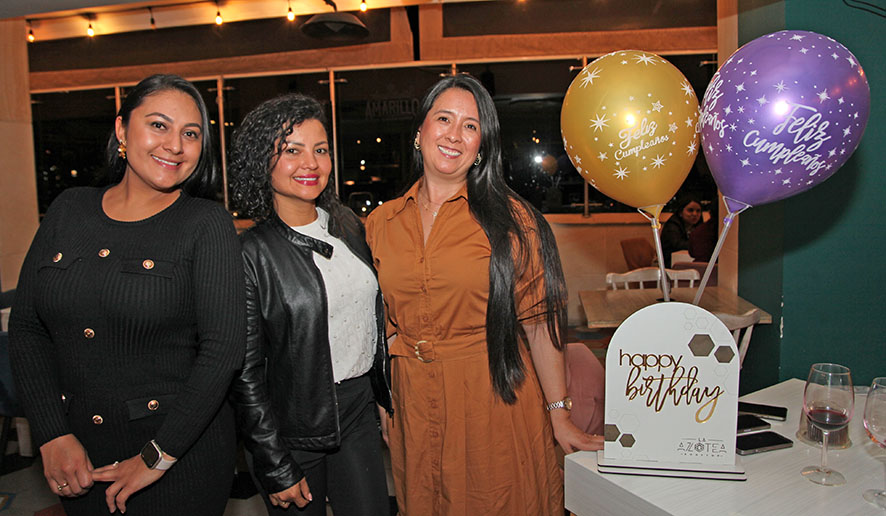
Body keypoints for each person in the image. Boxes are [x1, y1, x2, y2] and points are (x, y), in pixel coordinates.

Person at [8, 74, 246, 515]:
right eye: (158, 125)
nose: (174, 145)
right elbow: (26, 328)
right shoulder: (68, 209)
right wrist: (51, 433)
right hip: (79, 458)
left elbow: (224, 351)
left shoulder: (205, 223)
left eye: (191, 134)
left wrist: (158, 456)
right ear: (121, 129)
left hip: (180, 459)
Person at [365, 74, 603, 516]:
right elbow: (383, 321)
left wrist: (560, 414)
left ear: (481, 147)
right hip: (414, 403)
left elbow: (539, 324)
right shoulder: (381, 223)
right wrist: (386, 395)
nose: (454, 135)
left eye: (470, 126)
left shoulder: (514, 222)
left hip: (493, 398)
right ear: (420, 131)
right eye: (444, 119)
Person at [228, 94, 392, 516]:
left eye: (320, 150)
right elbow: (245, 373)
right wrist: (272, 460)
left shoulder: (348, 226)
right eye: (292, 151)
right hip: (291, 427)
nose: (311, 163)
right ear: (262, 161)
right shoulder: (250, 253)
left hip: (357, 411)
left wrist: (382, 397)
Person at [660, 196, 703, 267]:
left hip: (688, 260)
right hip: (670, 264)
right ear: (680, 212)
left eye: (698, 211)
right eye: (690, 210)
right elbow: (678, 245)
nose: (695, 214)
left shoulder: (699, 226)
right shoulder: (672, 225)